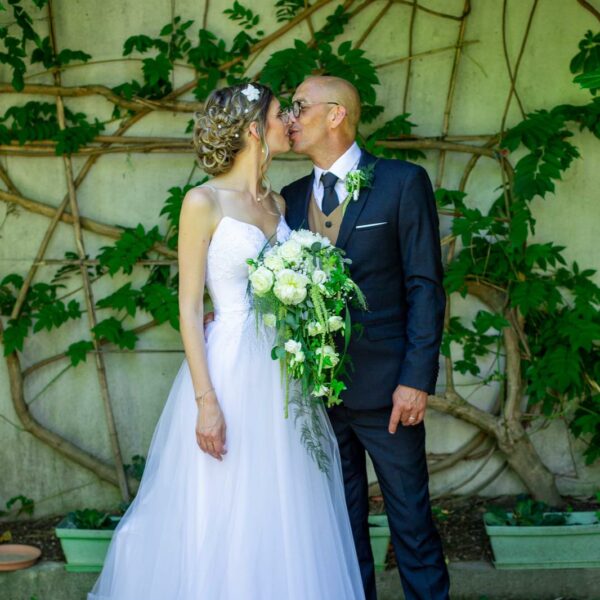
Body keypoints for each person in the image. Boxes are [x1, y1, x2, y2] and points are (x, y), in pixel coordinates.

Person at [88, 82, 365, 600]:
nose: (292, 122)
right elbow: (190, 311)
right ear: (257, 129)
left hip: (282, 376)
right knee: (224, 503)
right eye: (283, 114)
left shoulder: (280, 203)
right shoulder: (203, 201)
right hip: (231, 371)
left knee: (281, 506)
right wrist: (206, 400)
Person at [280, 75, 450, 600]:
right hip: (318, 395)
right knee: (339, 529)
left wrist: (415, 380)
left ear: (335, 115)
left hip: (389, 395)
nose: (289, 116)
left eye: (299, 106)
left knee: (412, 526)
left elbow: (426, 286)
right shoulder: (288, 199)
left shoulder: (401, 182)